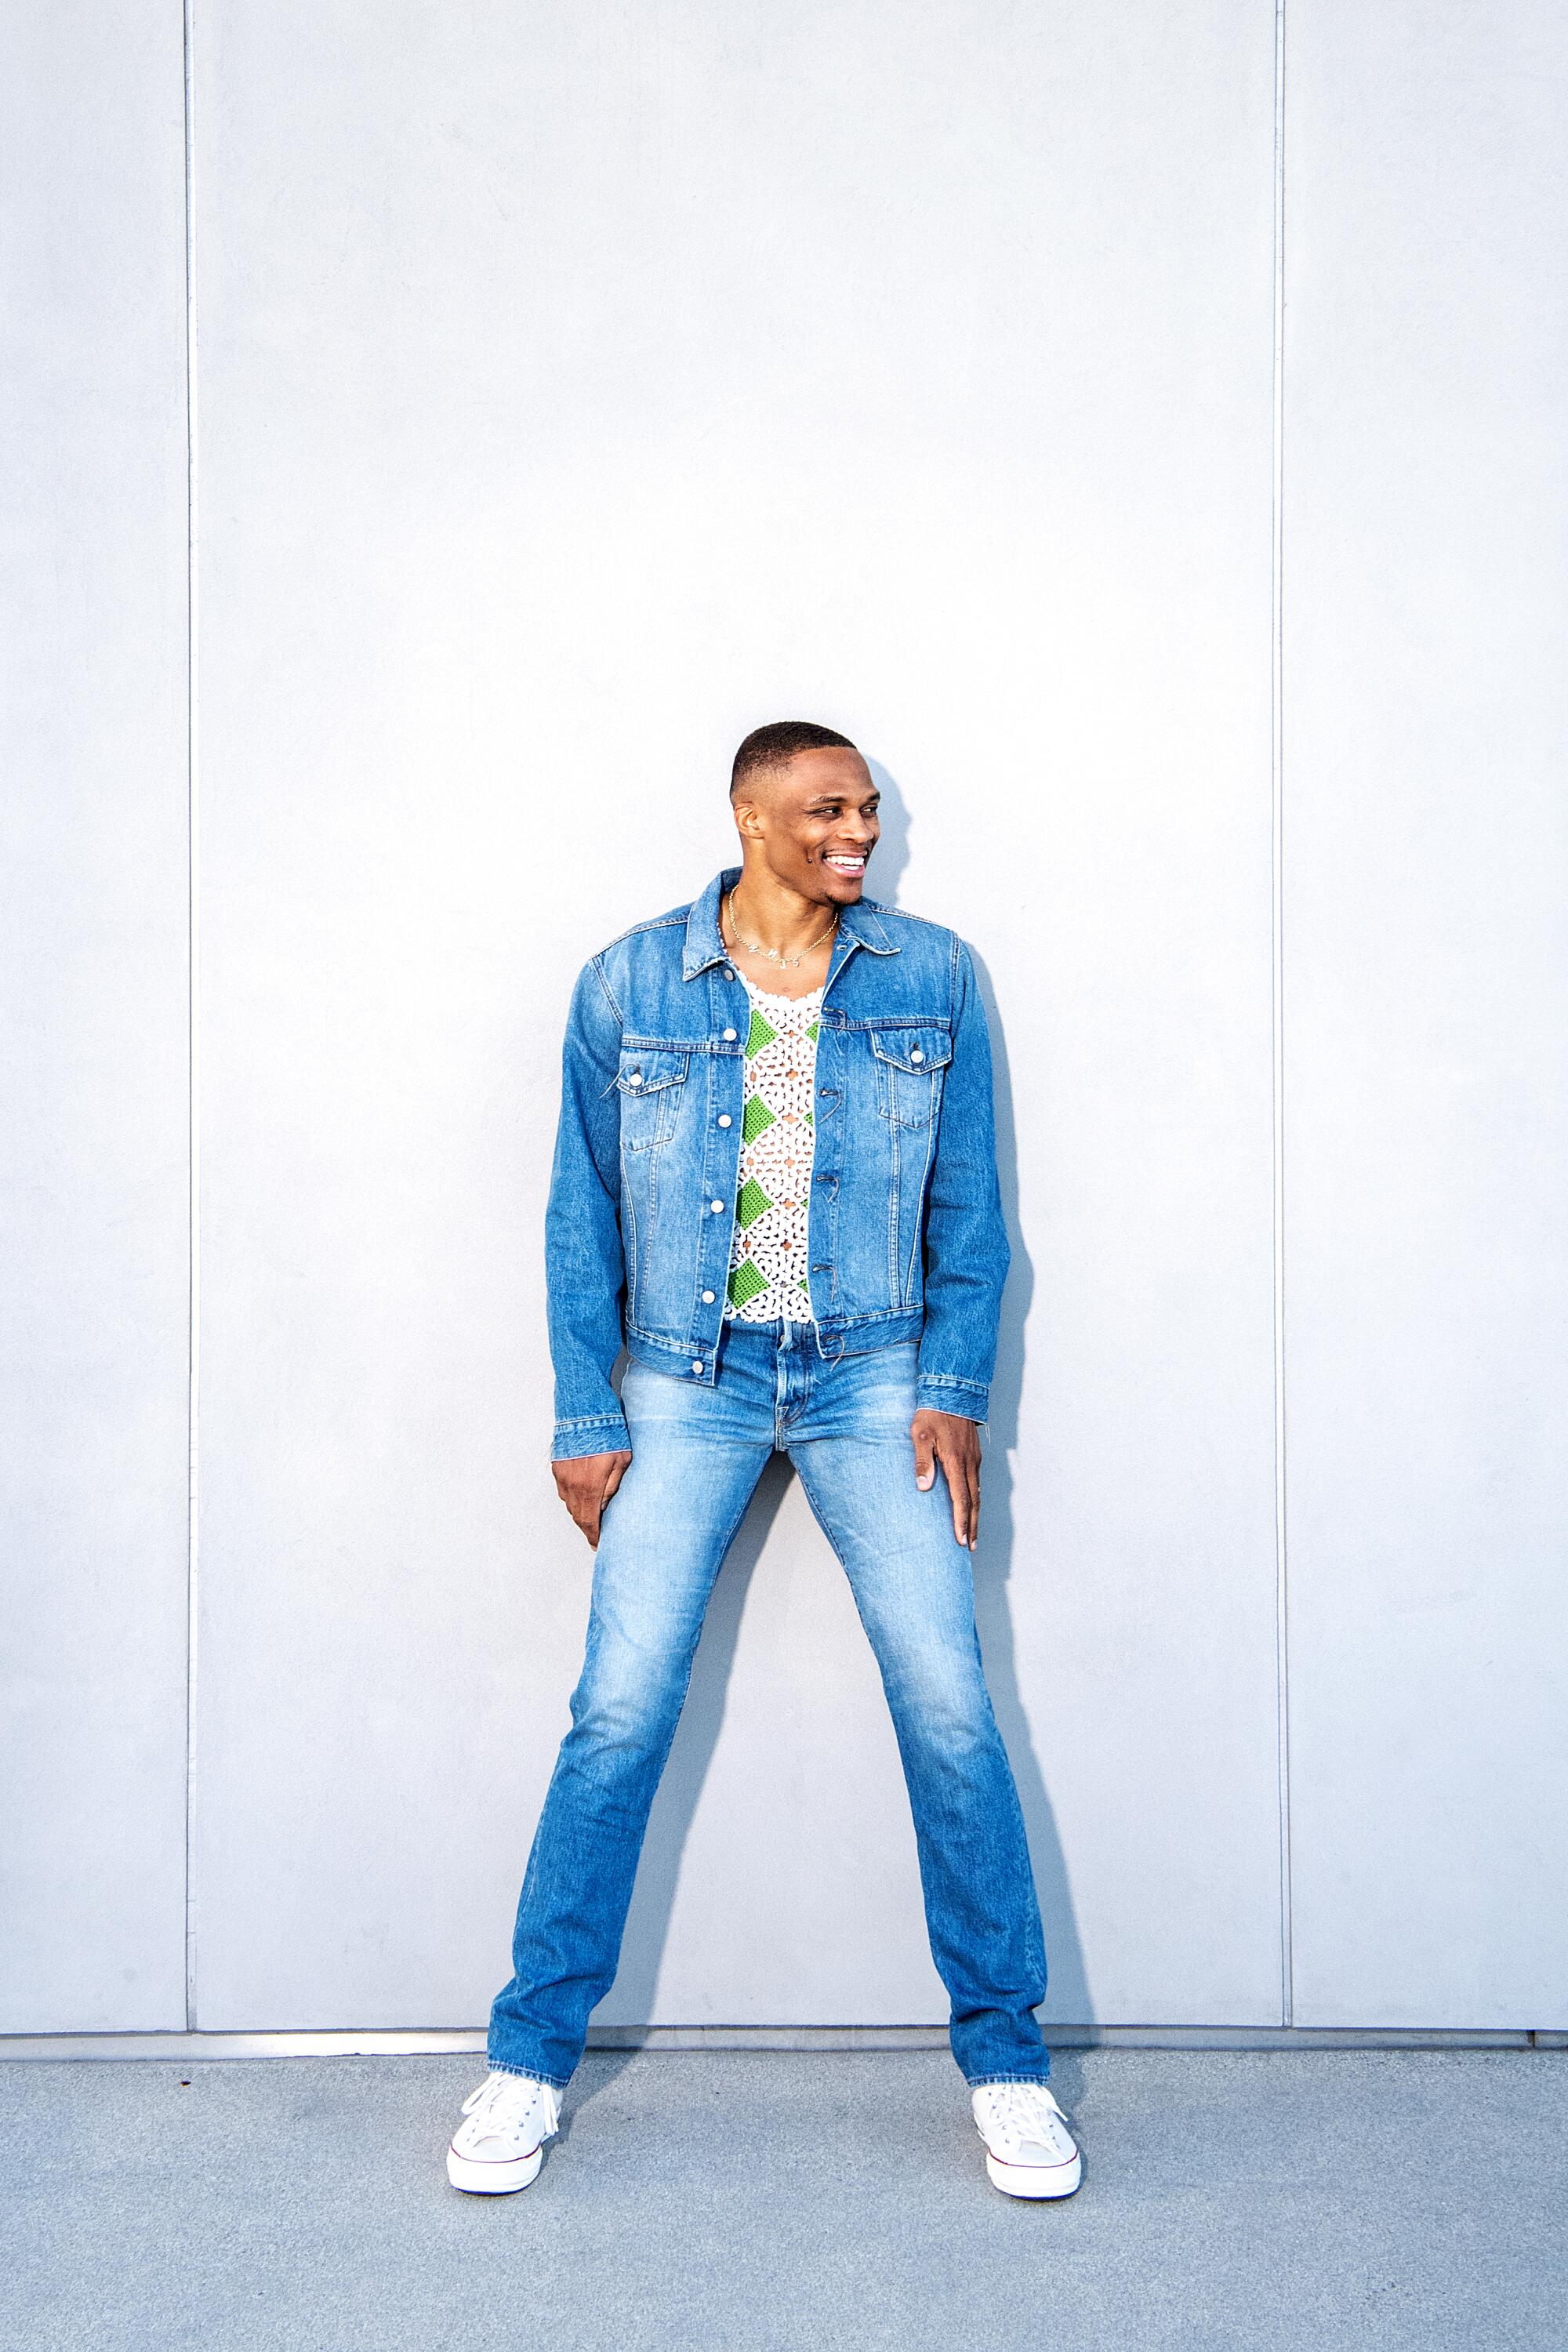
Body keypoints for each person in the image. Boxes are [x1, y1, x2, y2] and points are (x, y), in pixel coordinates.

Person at [445, 720, 1080, 2201]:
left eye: (868, 809)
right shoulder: (630, 982)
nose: (857, 831)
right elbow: (576, 1214)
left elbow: (974, 1204)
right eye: (825, 808)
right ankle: (528, 2063)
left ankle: (1009, 2067)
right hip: (687, 1377)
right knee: (618, 1710)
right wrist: (585, 1411)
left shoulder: (931, 976)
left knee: (948, 1705)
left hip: (873, 1373)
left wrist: (951, 1382)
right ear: (747, 814)